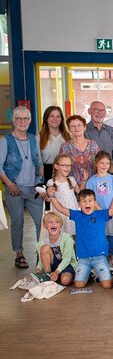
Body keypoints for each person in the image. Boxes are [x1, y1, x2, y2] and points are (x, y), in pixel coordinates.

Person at [48, 187, 113, 289]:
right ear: (79, 204)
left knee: (107, 285)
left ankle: (106, 271)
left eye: (90, 201)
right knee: (78, 285)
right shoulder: (77, 215)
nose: (87, 203)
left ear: (94, 203)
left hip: (100, 257)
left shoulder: (101, 214)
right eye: (83, 201)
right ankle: (89, 274)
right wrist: (52, 196)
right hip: (83, 259)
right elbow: (61, 209)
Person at [1, 106, 45, 269]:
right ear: (13, 120)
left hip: (33, 189)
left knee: (41, 220)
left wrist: (41, 183)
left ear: (30, 121)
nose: (22, 122)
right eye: (19, 118)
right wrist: (9, 184)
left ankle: (42, 252)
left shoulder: (34, 138)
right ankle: (19, 254)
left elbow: (39, 162)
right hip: (15, 188)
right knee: (18, 222)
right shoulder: (5, 141)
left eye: (26, 118)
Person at [59, 115, 101, 190]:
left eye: (79, 125)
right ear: (68, 129)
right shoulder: (65, 147)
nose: (76, 128)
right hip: (72, 186)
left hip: (92, 185)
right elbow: (61, 169)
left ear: (84, 127)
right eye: (73, 126)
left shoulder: (93, 144)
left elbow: (100, 164)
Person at [36, 211, 77, 286]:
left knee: (65, 280)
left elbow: (67, 260)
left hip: (67, 265)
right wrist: (38, 269)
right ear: (45, 225)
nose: (53, 224)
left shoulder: (67, 239)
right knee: (44, 248)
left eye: (57, 222)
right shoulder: (41, 242)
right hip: (52, 266)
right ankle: (48, 275)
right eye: (50, 222)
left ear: (61, 225)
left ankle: (58, 277)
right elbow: (40, 259)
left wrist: (56, 272)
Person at [85, 101, 113, 173]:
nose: (99, 113)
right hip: (90, 174)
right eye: (96, 110)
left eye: (102, 110)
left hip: (109, 173)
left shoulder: (111, 131)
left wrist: (109, 171)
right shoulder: (83, 131)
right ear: (89, 111)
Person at [38, 105, 69, 181]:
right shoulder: (39, 137)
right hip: (46, 173)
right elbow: (37, 160)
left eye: (58, 116)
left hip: (66, 172)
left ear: (61, 119)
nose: (55, 119)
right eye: (51, 116)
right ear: (46, 118)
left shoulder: (68, 137)